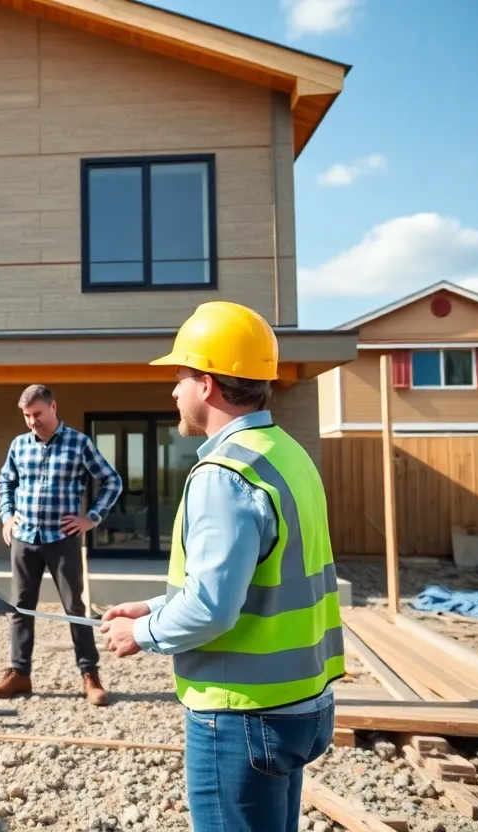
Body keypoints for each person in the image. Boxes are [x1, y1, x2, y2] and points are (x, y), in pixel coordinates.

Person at [100, 301, 345, 831]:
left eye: (181, 376)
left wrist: (140, 632)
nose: (173, 391)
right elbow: (256, 581)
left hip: (241, 716)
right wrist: (155, 605)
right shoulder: (286, 454)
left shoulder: (223, 473)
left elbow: (212, 608)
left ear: (207, 384)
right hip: (302, 703)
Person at [0, 384, 123, 706]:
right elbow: (5, 482)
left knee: (74, 609)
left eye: (37, 413)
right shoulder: (19, 445)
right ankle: (19, 674)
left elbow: (112, 481)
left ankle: (90, 675)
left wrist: (91, 518)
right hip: (25, 539)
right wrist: (7, 516)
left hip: (62, 540)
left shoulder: (79, 443)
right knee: (20, 608)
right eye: (26, 416)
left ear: (53, 408)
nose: (33, 421)